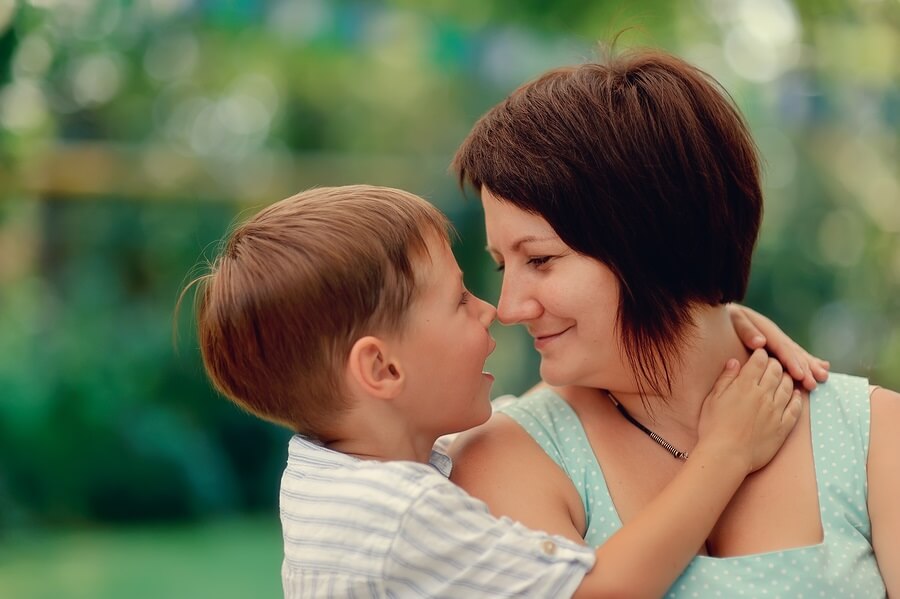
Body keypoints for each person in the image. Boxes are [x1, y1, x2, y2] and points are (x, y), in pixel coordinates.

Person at [186, 184, 816, 598]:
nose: (495, 309)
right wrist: (726, 452)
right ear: (381, 371)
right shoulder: (403, 518)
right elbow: (604, 594)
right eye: (459, 300)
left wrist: (705, 325)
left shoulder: (338, 469)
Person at [449, 48, 899, 597]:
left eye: (540, 260)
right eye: (502, 265)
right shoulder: (508, 456)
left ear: (651, 241)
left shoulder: (874, 434)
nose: (511, 306)